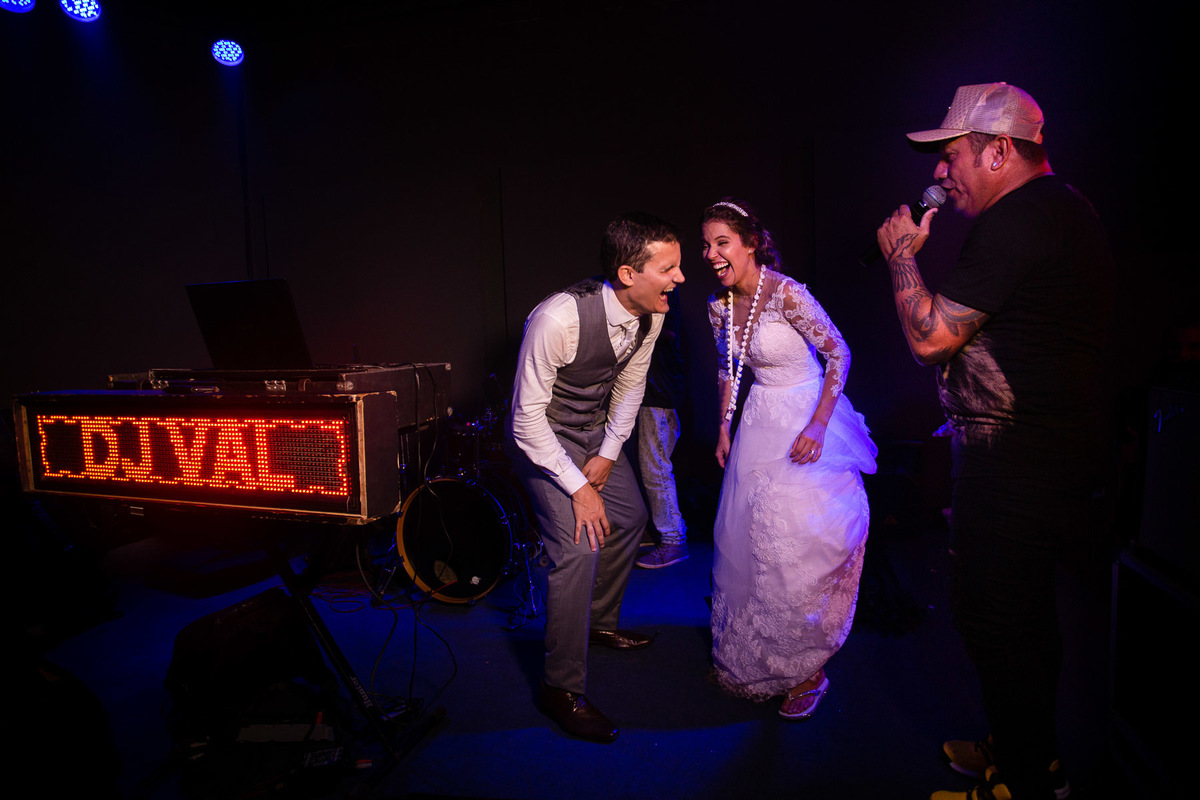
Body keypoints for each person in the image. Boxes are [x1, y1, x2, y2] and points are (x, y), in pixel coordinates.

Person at [874, 83, 1115, 800]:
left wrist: (900, 259)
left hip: (1016, 458)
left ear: (999, 150)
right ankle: (1024, 751)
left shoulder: (1020, 218)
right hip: (1039, 450)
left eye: (952, 158)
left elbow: (931, 338)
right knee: (1024, 612)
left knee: (997, 616)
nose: (941, 175)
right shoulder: (1059, 211)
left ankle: (1024, 781)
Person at [507, 211, 685, 743]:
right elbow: (524, 421)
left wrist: (608, 453)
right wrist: (580, 488)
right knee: (579, 547)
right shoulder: (556, 319)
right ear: (629, 273)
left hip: (593, 435)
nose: (679, 278)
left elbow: (630, 387)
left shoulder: (652, 315)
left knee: (630, 519)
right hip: (541, 439)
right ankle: (560, 687)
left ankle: (599, 624)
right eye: (669, 268)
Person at [703, 198, 877, 720]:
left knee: (802, 544)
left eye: (721, 242)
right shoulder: (718, 306)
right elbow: (728, 368)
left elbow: (838, 352)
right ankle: (765, 653)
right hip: (758, 423)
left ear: (751, 243)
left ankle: (808, 666)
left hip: (804, 418)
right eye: (706, 244)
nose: (710, 254)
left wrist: (819, 424)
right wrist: (723, 425)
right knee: (756, 543)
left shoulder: (787, 294)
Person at [635, 294, 689, 569]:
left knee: (655, 467)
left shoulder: (663, 290)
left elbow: (669, 334)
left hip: (659, 393)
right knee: (651, 465)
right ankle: (661, 532)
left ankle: (672, 540)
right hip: (657, 391)